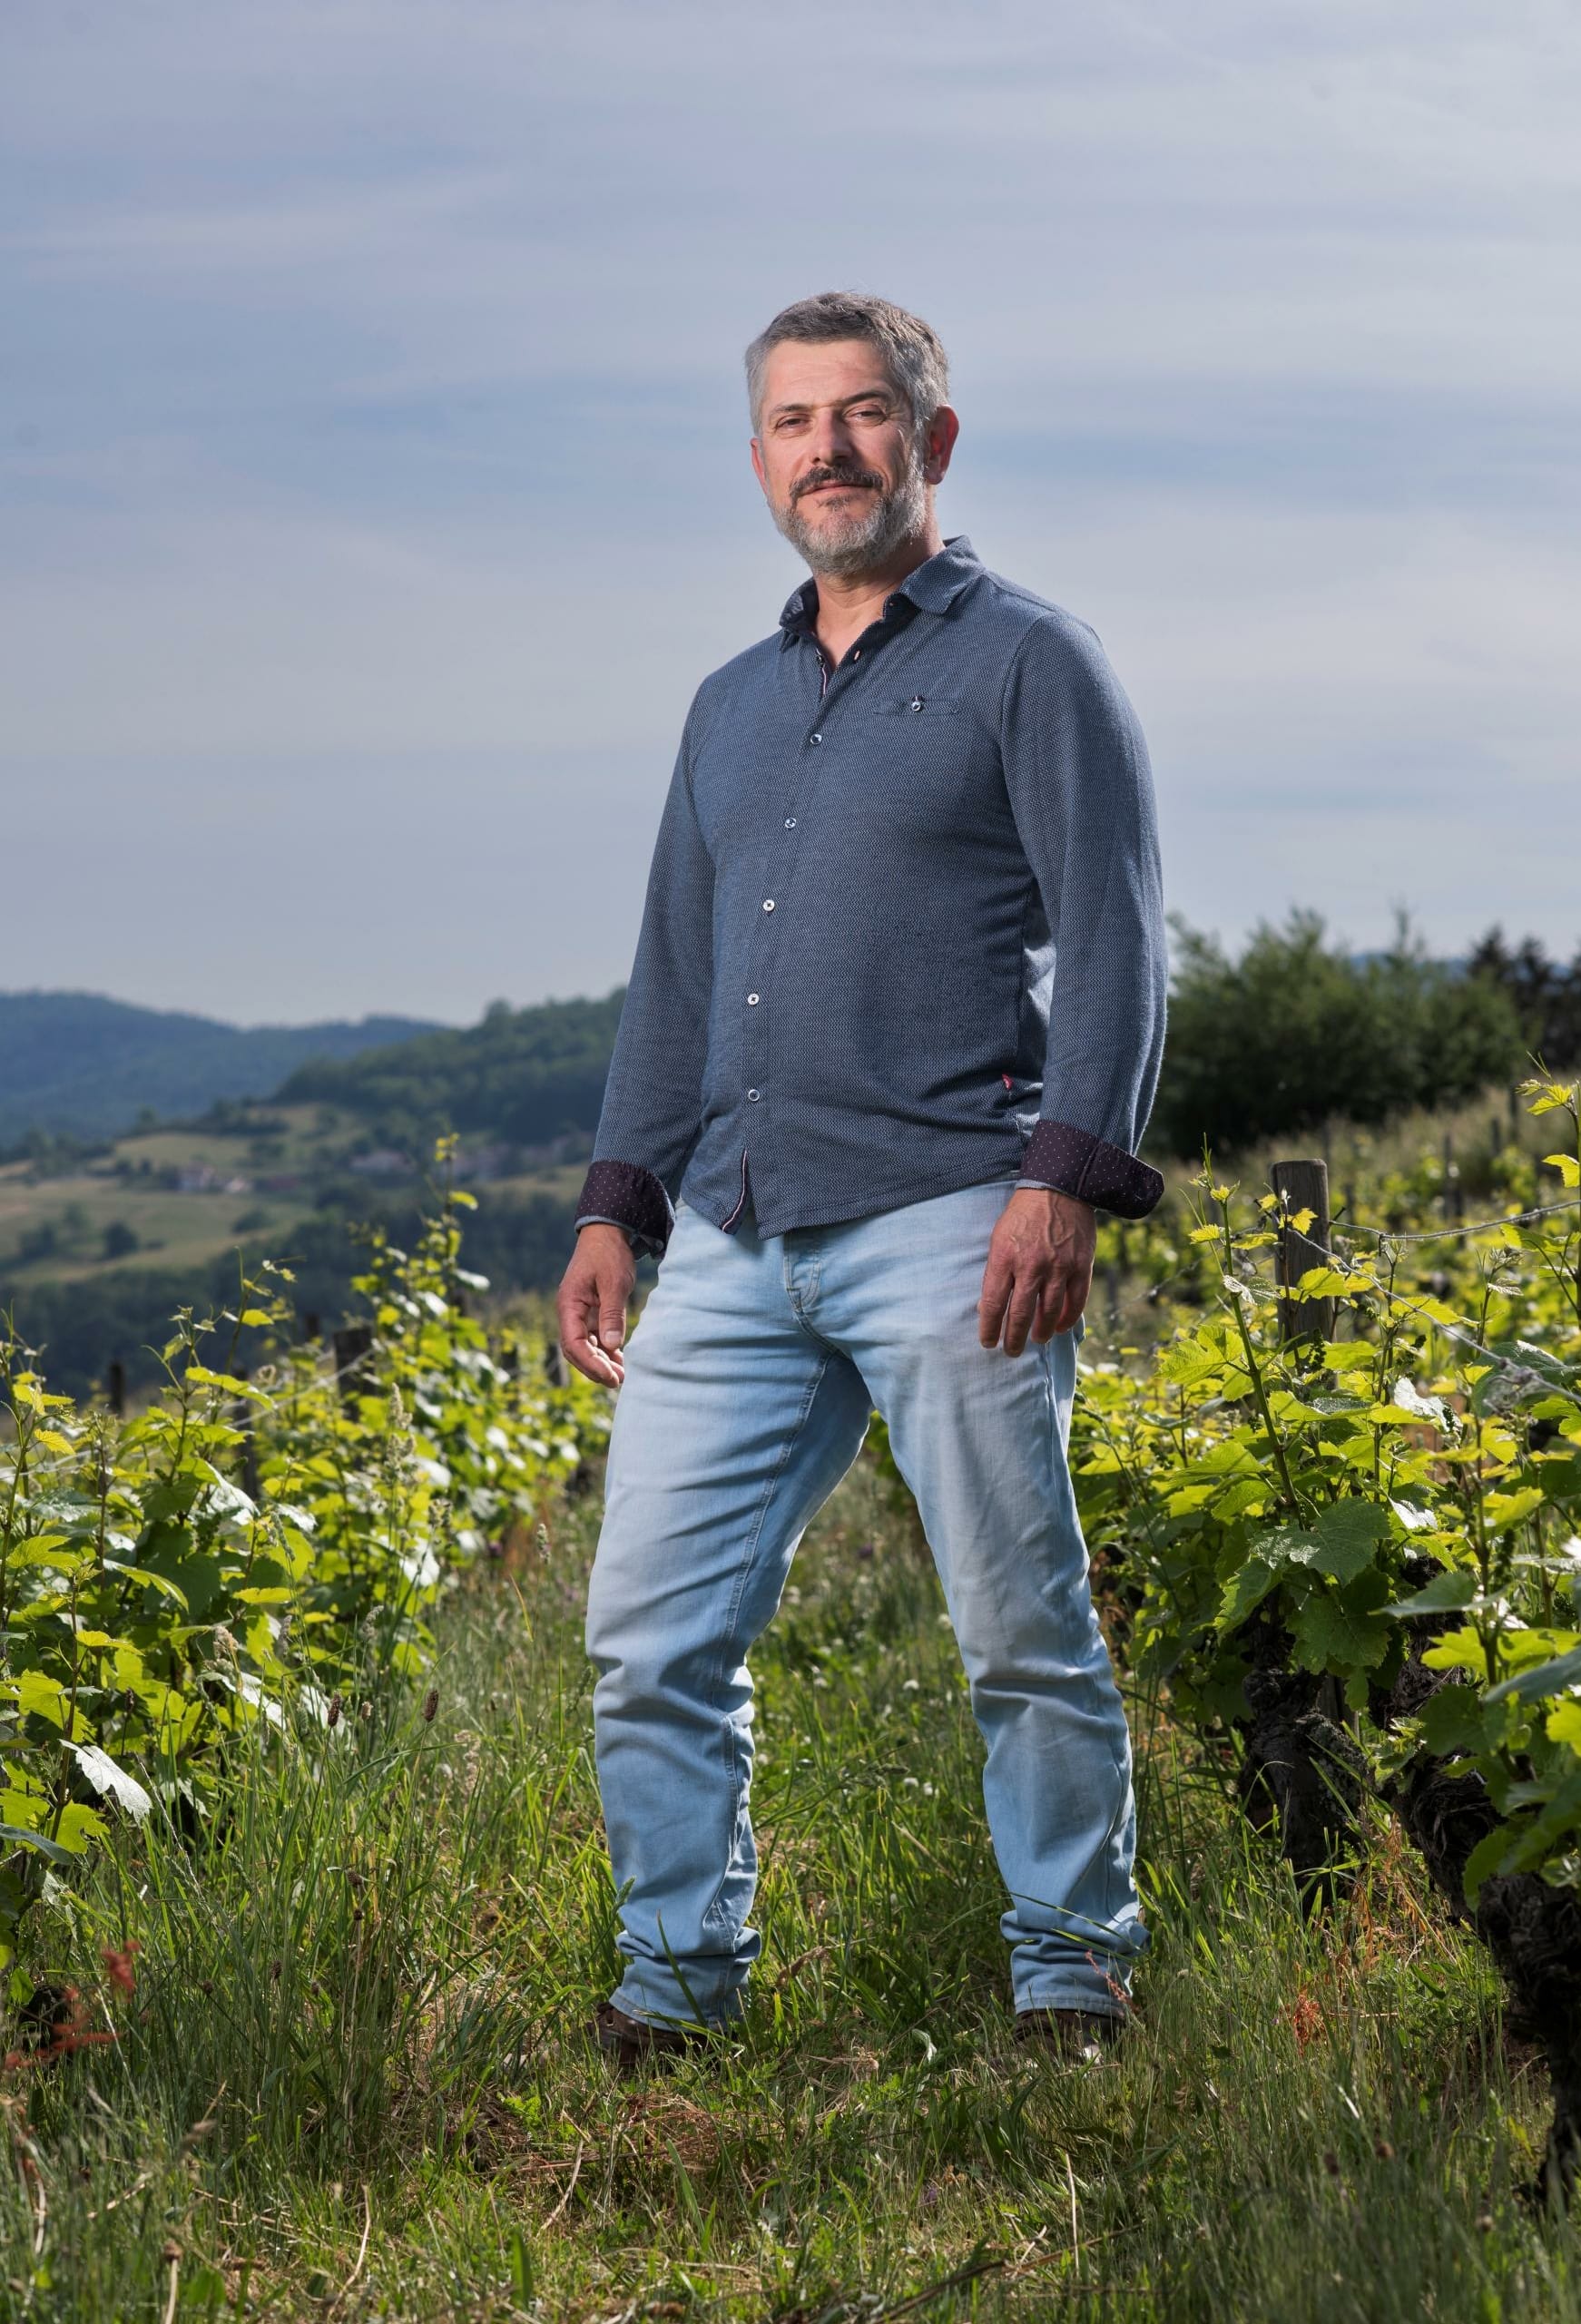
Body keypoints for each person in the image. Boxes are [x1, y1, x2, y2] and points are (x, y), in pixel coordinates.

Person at [557, 290, 1167, 2069]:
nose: (828, 446)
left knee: (1020, 1631)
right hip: (734, 1240)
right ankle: (677, 1993)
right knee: (648, 1644)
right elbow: (673, 975)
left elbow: (1123, 941)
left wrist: (1063, 1180)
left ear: (935, 441)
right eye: (791, 420)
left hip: (948, 1225)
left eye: (864, 413)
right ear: (758, 458)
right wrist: (617, 1204)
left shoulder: (1034, 661)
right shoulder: (724, 708)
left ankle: (1072, 1980)